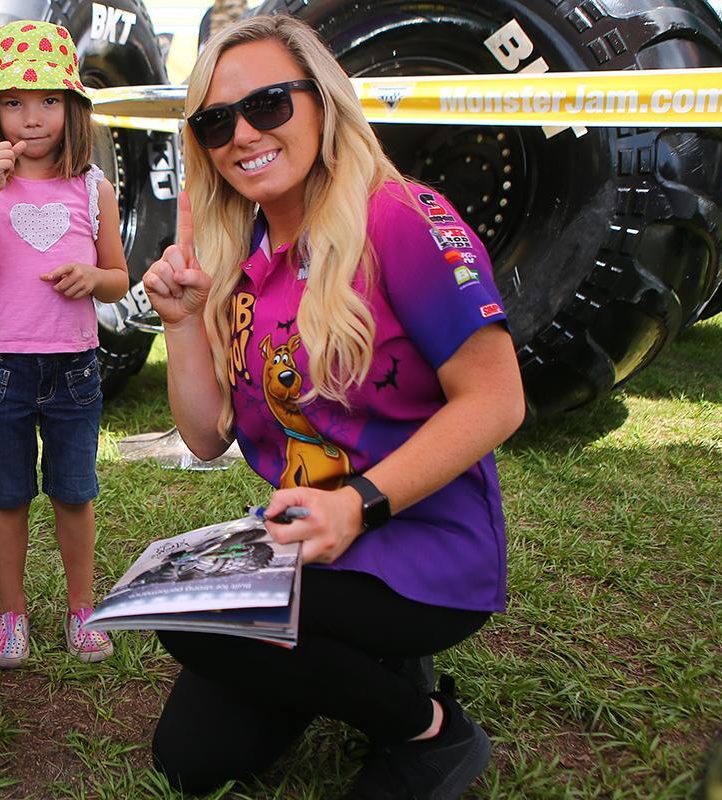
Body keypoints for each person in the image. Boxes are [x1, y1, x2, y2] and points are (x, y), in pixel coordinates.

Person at [141, 14, 526, 799]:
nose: (244, 134)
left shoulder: (400, 216)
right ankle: (366, 663)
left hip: (419, 545)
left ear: (323, 101)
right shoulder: (242, 253)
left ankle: (429, 732)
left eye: (269, 105)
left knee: (190, 619)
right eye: (217, 122)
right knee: (193, 758)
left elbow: (496, 398)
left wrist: (358, 504)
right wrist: (182, 322)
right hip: (311, 544)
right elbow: (205, 437)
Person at [0, 19, 129, 668]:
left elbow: (118, 279)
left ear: (73, 107)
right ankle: (12, 613)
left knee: (74, 492)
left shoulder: (93, 188)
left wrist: (92, 278)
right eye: (14, 102)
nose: (32, 117)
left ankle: (83, 608)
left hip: (74, 368)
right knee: (7, 495)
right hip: (0, 367)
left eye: (49, 100)